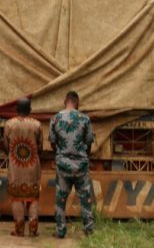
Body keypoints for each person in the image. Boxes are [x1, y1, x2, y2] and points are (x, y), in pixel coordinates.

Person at [49, 91, 95, 238]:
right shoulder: (85, 119)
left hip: (63, 165)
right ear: (77, 102)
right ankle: (89, 229)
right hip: (81, 165)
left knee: (60, 199)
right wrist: (84, 157)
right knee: (85, 198)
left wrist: (60, 154)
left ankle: (60, 230)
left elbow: (52, 141)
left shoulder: (55, 118)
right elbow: (89, 142)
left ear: (65, 100)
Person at [3, 97, 42, 237]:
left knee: (17, 197)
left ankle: (19, 230)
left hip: (15, 166)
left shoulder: (9, 124)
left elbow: (6, 146)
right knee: (33, 197)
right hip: (32, 166)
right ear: (30, 109)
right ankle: (33, 230)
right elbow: (40, 147)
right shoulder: (37, 125)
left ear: (16, 110)